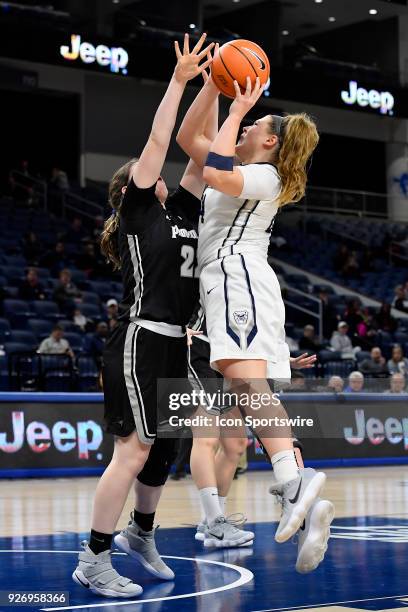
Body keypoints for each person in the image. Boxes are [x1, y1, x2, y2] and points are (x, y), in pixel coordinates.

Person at [72, 33, 214, 599]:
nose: (154, 164)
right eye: (143, 166)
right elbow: (162, 137)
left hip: (178, 342)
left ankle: (141, 533)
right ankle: (94, 557)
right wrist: (179, 82)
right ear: (131, 183)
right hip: (141, 337)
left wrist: (215, 88)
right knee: (131, 452)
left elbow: (198, 146)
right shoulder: (137, 210)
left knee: (165, 450)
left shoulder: (180, 206)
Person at [177, 71, 332, 568]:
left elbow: (218, 168)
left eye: (250, 126)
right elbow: (188, 140)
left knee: (249, 386)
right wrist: (212, 89)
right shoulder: (248, 165)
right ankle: (304, 505)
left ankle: (295, 481)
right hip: (226, 282)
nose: (238, 128)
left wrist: (239, 107)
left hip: (237, 277)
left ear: (268, 140)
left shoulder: (266, 176)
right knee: (245, 390)